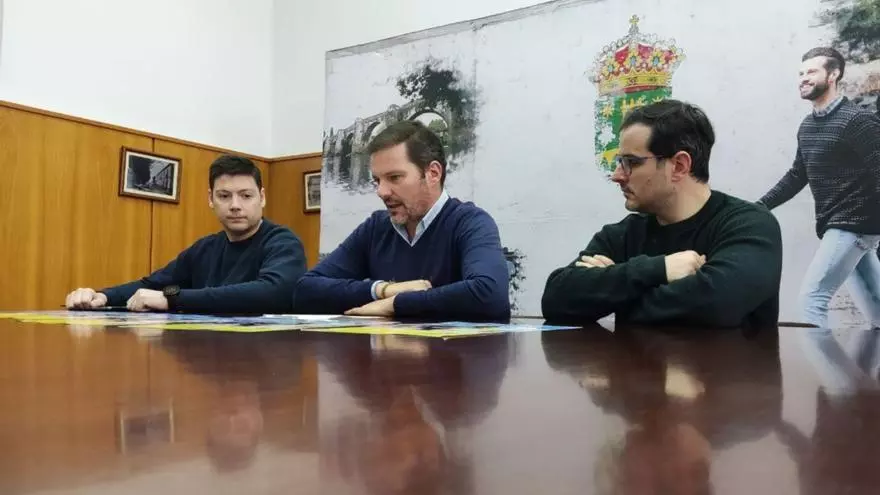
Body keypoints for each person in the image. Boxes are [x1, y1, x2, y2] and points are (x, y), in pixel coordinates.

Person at [541, 99, 783, 329]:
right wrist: (659, 269)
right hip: (633, 361)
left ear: (679, 166)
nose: (617, 175)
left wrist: (613, 293)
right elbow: (556, 299)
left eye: (631, 162)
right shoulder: (625, 234)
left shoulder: (750, 226)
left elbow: (716, 305)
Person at [293, 120, 510, 321]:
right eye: (377, 180)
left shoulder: (470, 222)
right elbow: (305, 291)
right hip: (384, 351)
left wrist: (395, 304)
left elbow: (490, 294)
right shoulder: (376, 228)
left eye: (394, 177)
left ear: (433, 173)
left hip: (452, 351)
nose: (381, 191)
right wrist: (382, 290)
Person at [65, 155, 306, 314]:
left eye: (246, 196)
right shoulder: (205, 248)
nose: (235, 205)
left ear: (261, 198)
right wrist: (102, 296)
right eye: (224, 196)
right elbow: (154, 285)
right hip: (212, 359)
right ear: (210, 199)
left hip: (265, 363)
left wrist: (172, 298)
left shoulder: (282, 242)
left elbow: (273, 293)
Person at [757, 47, 880, 329]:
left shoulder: (858, 121)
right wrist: (759, 207)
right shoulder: (807, 127)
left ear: (833, 75)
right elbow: (797, 175)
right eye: (801, 73)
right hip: (841, 226)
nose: (803, 78)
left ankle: (816, 360)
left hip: (854, 224)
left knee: (812, 299)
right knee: (877, 309)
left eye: (811, 71)